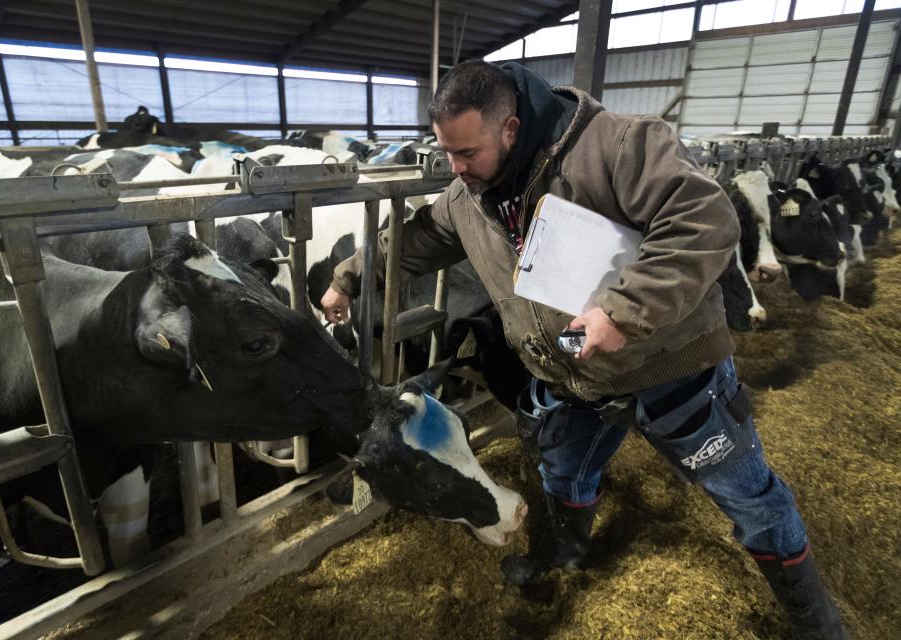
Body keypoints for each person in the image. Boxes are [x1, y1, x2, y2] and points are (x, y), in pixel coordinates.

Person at [320, 60, 848, 640]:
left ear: (511, 129)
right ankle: (566, 553)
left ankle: (815, 622)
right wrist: (346, 278)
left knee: (747, 494)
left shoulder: (620, 145)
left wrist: (623, 311)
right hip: (574, 374)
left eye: (466, 152)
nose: (455, 167)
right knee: (563, 471)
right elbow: (417, 241)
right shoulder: (465, 197)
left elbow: (703, 219)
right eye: (447, 152)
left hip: (671, 367)